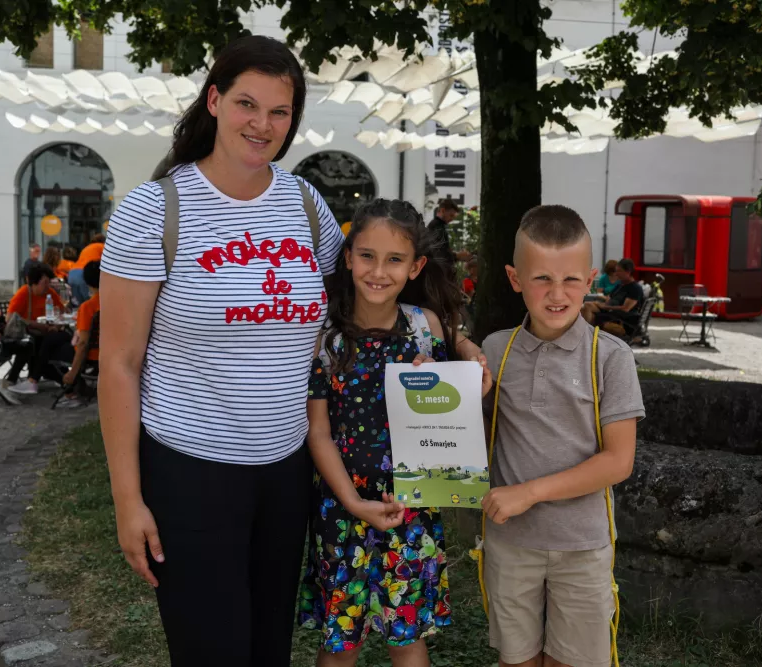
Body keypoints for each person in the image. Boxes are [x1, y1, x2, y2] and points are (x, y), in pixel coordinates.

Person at [96, 35, 347, 667]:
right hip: (189, 472)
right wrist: (129, 500)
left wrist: (448, 344)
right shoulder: (154, 211)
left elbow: (360, 313)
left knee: (268, 652)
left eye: (280, 112)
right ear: (214, 101)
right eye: (246, 104)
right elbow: (120, 367)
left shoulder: (307, 206)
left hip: (286, 472)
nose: (262, 125)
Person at [299, 199, 492, 666]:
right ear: (347, 257)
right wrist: (351, 501)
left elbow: (456, 399)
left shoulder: (425, 330)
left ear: (416, 266)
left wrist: (472, 370)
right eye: (367, 255)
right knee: (341, 641)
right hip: (342, 511)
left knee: (406, 636)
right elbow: (318, 433)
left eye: (394, 259)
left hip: (413, 506)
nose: (378, 271)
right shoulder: (325, 337)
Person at [481, 205, 643, 667]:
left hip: (582, 545)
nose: (557, 294)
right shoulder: (495, 349)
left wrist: (528, 493)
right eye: (541, 279)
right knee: (517, 659)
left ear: (591, 279)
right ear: (515, 278)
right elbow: (466, 433)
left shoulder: (610, 357)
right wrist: (436, 388)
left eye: (571, 280)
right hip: (511, 543)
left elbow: (618, 462)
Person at [6, 262, 66, 396]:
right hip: (28, 335)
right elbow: (9, 318)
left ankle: (35, 379)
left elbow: (63, 313)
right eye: (44, 283)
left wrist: (56, 326)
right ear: (33, 283)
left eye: (48, 282)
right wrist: (36, 325)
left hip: (46, 334)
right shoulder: (24, 293)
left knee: (51, 343)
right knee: (39, 345)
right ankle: (63, 380)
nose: (47, 286)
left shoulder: (49, 293)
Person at [55, 261, 102, 409]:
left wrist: (72, 373)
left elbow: (83, 344)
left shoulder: (88, 307)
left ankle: (70, 388)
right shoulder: (116, 302)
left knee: (54, 346)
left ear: (87, 282)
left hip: (92, 355)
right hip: (109, 351)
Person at [581, 258, 643, 336]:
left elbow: (626, 309)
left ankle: (585, 335)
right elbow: (610, 298)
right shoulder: (620, 285)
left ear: (628, 272)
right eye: (615, 271)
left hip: (621, 319)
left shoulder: (634, 288)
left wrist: (606, 307)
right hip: (611, 312)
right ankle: (585, 334)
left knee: (588, 310)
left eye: (619, 271)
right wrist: (601, 304)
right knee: (586, 305)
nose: (616, 274)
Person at [427, 198, 471, 267]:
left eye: (454, 217)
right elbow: (438, 254)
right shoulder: (437, 227)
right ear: (443, 210)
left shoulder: (438, 226)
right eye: (451, 215)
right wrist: (458, 256)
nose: (452, 219)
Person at [68, 234, 105, 305]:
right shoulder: (102, 246)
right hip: (84, 273)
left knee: (77, 302)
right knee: (89, 301)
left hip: (72, 273)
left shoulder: (87, 248)